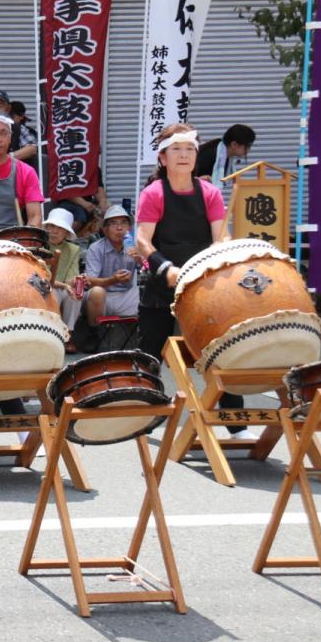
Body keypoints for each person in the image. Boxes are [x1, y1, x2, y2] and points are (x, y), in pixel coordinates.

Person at [136, 123, 251, 437]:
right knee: (150, 349)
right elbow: (143, 241)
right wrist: (166, 269)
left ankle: (235, 423)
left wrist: (223, 247)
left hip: (203, 281)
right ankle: (144, 411)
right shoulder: (154, 193)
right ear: (163, 158)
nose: (184, 155)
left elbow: (221, 233)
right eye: (176, 150)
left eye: (189, 149)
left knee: (220, 346)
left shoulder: (210, 192)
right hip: (164, 279)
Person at [81, 204, 140, 327]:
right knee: (97, 292)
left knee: (148, 294)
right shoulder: (96, 248)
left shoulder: (135, 246)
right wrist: (112, 280)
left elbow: (150, 271)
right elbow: (89, 281)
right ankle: (95, 334)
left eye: (124, 223)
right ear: (105, 230)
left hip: (126, 296)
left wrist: (140, 260)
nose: (119, 228)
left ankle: (141, 339)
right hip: (103, 299)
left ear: (129, 227)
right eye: (113, 223)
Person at [43, 207, 82, 342]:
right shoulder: (40, 246)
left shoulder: (74, 249)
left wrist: (76, 281)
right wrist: (64, 285)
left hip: (62, 286)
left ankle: (68, 335)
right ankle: (50, 336)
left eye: (59, 227)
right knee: (52, 293)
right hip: (43, 286)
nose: (53, 231)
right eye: (51, 226)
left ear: (66, 232)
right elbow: (43, 276)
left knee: (75, 295)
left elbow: (72, 275)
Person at [197, 123, 256, 195]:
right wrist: (198, 180)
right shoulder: (210, 153)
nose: (249, 149)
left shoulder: (224, 155)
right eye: (247, 146)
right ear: (234, 144)